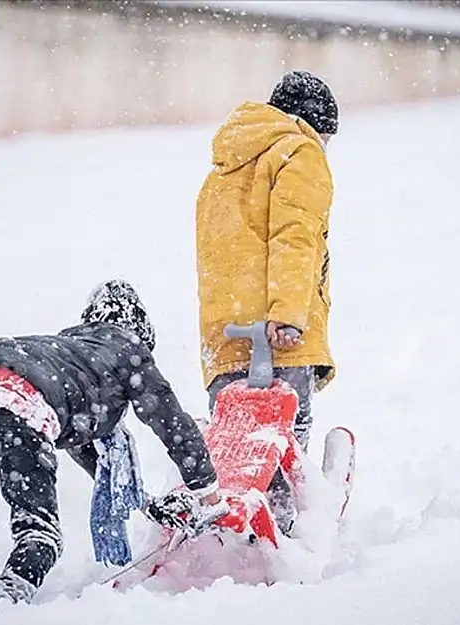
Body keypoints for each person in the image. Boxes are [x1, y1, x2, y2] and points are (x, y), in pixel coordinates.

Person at [0, 280, 224, 623]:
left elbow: (88, 452)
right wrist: (209, 494)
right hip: (18, 400)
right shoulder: (127, 348)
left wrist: (147, 504)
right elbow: (172, 424)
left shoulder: (69, 354)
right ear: (141, 329)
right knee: (40, 535)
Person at [194, 70, 339, 535]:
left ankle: (236, 530)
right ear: (313, 124)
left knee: (239, 449)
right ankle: (288, 531)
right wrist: (288, 315)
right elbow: (295, 238)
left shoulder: (223, 168)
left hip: (224, 336)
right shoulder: (300, 151)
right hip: (279, 330)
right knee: (283, 438)